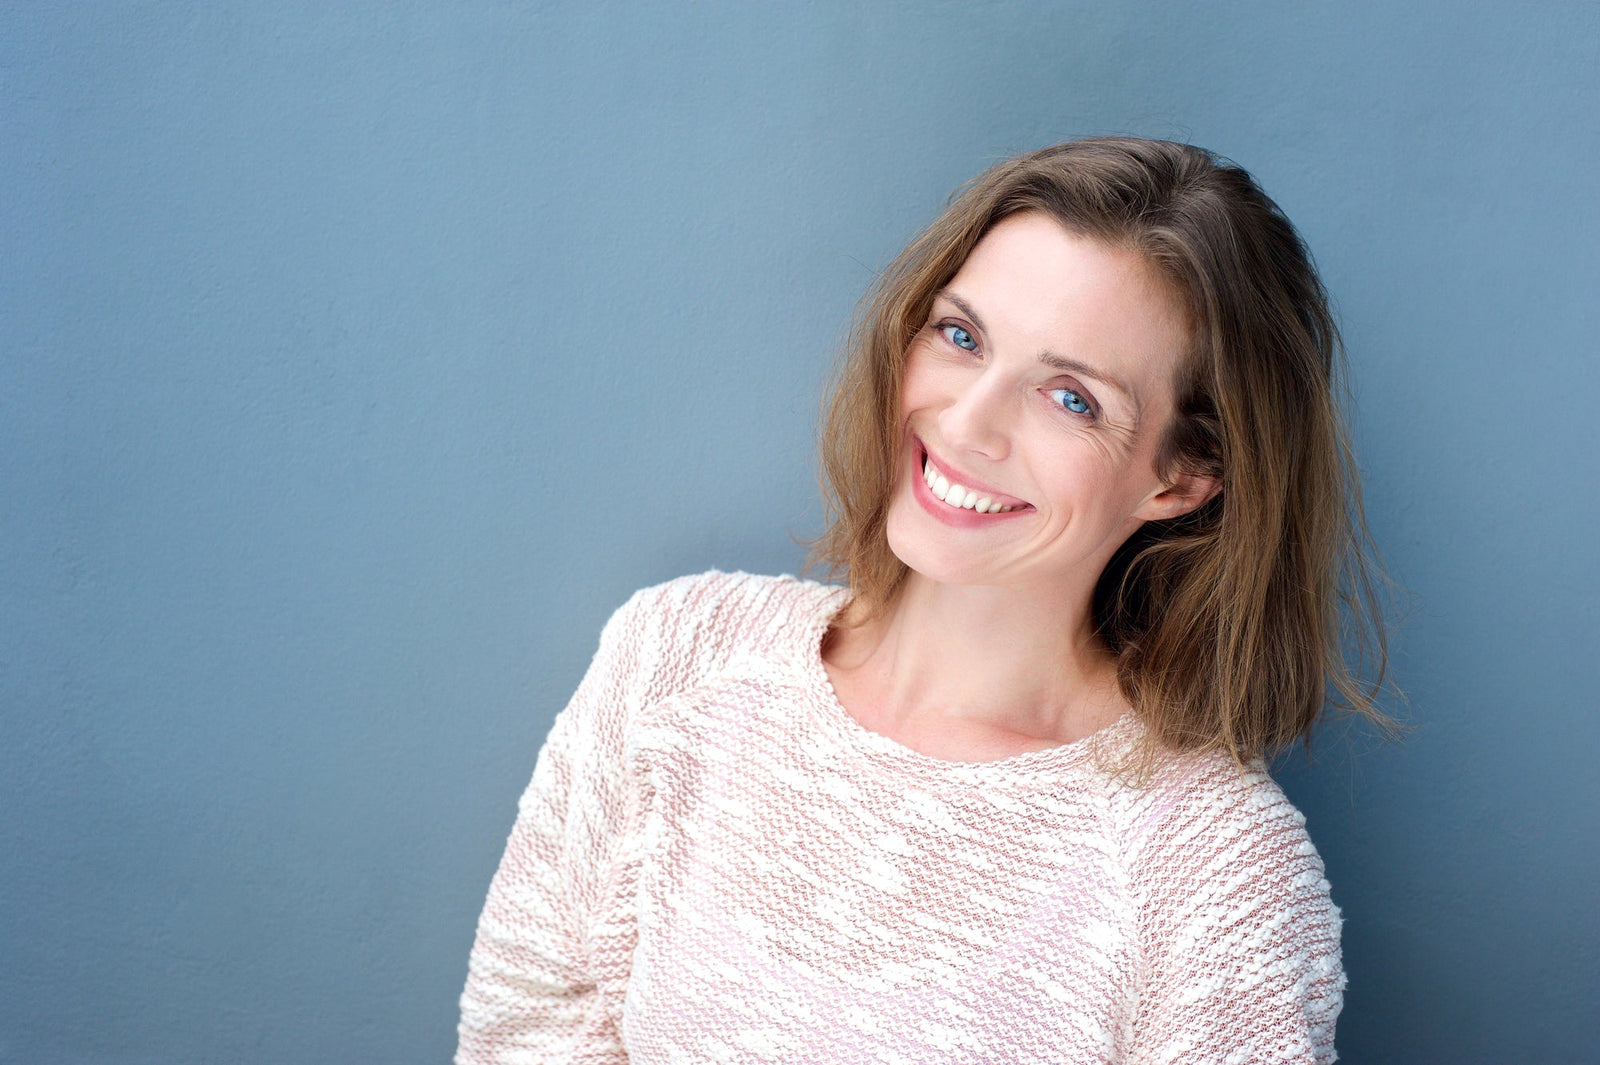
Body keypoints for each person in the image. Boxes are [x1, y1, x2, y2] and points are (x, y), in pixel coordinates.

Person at [454, 137, 1393, 1064]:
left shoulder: (1217, 871)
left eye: (1070, 397)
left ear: (1181, 480)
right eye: (962, 336)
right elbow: (523, 1032)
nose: (966, 420)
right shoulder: (679, 655)